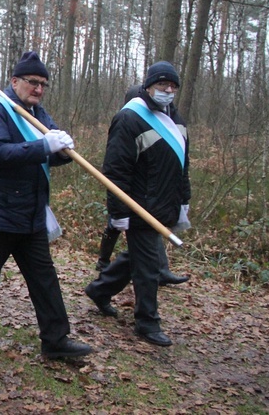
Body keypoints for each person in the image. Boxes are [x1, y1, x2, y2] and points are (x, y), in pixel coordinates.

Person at [0, 51, 92, 360]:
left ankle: (55, 339)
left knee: (43, 277)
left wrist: (61, 151)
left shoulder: (38, 113)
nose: (38, 89)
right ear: (15, 81)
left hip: (32, 211)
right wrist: (42, 146)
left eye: (43, 84)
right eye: (32, 82)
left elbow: (44, 155)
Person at [85, 61, 192, 347]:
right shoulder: (130, 118)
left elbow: (183, 165)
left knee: (138, 257)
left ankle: (100, 289)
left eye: (172, 86)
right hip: (139, 206)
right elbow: (116, 170)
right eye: (162, 85)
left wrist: (184, 200)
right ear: (148, 86)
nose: (168, 90)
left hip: (165, 205)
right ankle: (147, 321)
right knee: (148, 266)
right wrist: (118, 213)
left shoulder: (176, 119)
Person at [95, 84, 189, 286]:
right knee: (115, 226)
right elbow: (117, 165)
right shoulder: (128, 118)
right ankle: (103, 264)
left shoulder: (171, 119)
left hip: (149, 196)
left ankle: (102, 288)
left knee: (144, 244)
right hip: (129, 190)